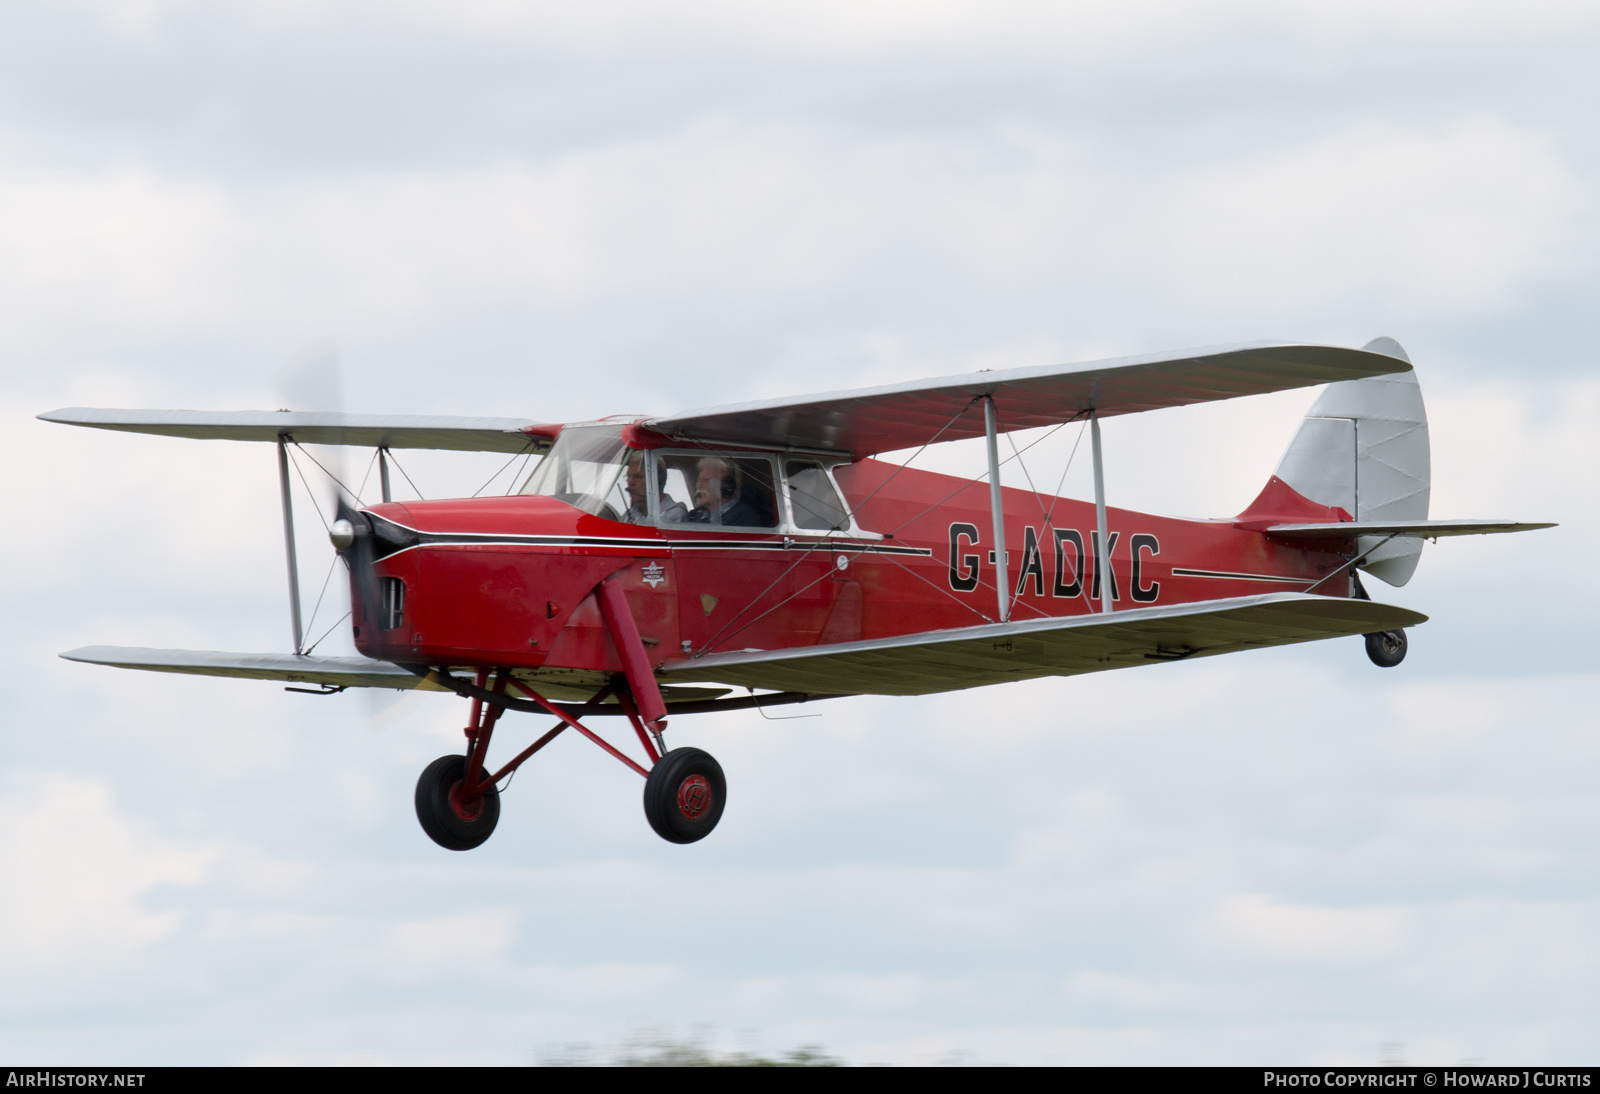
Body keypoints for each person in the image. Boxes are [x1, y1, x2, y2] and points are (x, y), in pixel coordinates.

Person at [687, 456, 762, 527]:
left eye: (706, 480)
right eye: (698, 480)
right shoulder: (698, 516)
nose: (699, 485)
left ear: (727, 486)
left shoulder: (744, 516)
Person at [623, 452, 687, 524]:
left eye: (637, 476)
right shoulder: (629, 514)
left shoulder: (674, 514)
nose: (630, 482)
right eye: (628, 476)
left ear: (657, 480)